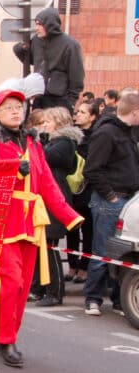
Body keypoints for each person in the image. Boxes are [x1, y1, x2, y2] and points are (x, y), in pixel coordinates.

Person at [0, 90, 82, 368]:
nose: (15, 111)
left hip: (31, 222)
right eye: (8, 107)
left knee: (22, 287)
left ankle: (2, 334)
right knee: (12, 282)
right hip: (2, 221)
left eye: (19, 107)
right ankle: (5, 339)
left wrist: (69, 216)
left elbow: (47, 183)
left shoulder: (33, 144)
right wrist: (11, 174)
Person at [82, 92, 139, 316]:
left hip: (128, 198)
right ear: (135, 112)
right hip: (111, 199)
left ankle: (118, 299)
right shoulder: (106, 133)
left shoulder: (130, 133)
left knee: (123, 253)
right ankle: (92, 299)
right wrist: (111, 196)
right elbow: (92, 169)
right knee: (102, 250)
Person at [34, 107, 83, 307]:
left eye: (48, 121)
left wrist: (38, 142)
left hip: (54, 198)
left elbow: (42, 158)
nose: (44, 124)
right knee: (42, 248)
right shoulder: (53, 142)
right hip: (45, 199)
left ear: (59, 122)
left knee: (51, 248)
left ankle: (55, 291)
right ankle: (41, 288)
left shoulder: (63, 144)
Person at [13, 7, 84, 111]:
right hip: (39, 96)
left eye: (40, 24)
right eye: (36, 24)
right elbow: (31, 60)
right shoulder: (37, 40)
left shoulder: (70, 45)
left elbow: (77, 75)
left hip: (60, 98)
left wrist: (71, 102)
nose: (37, 28)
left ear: (50, 24)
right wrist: (19, 49)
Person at [66, 100, 100, 283]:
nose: (77, 114)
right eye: (77, 111)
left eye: (83, 112)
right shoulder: (71, 135)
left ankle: (84, 268)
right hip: (72, 188)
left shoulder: (95, 137)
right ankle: (72, 265)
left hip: (87, 188)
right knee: (71, 228)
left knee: (87, 230)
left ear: (93, 117)